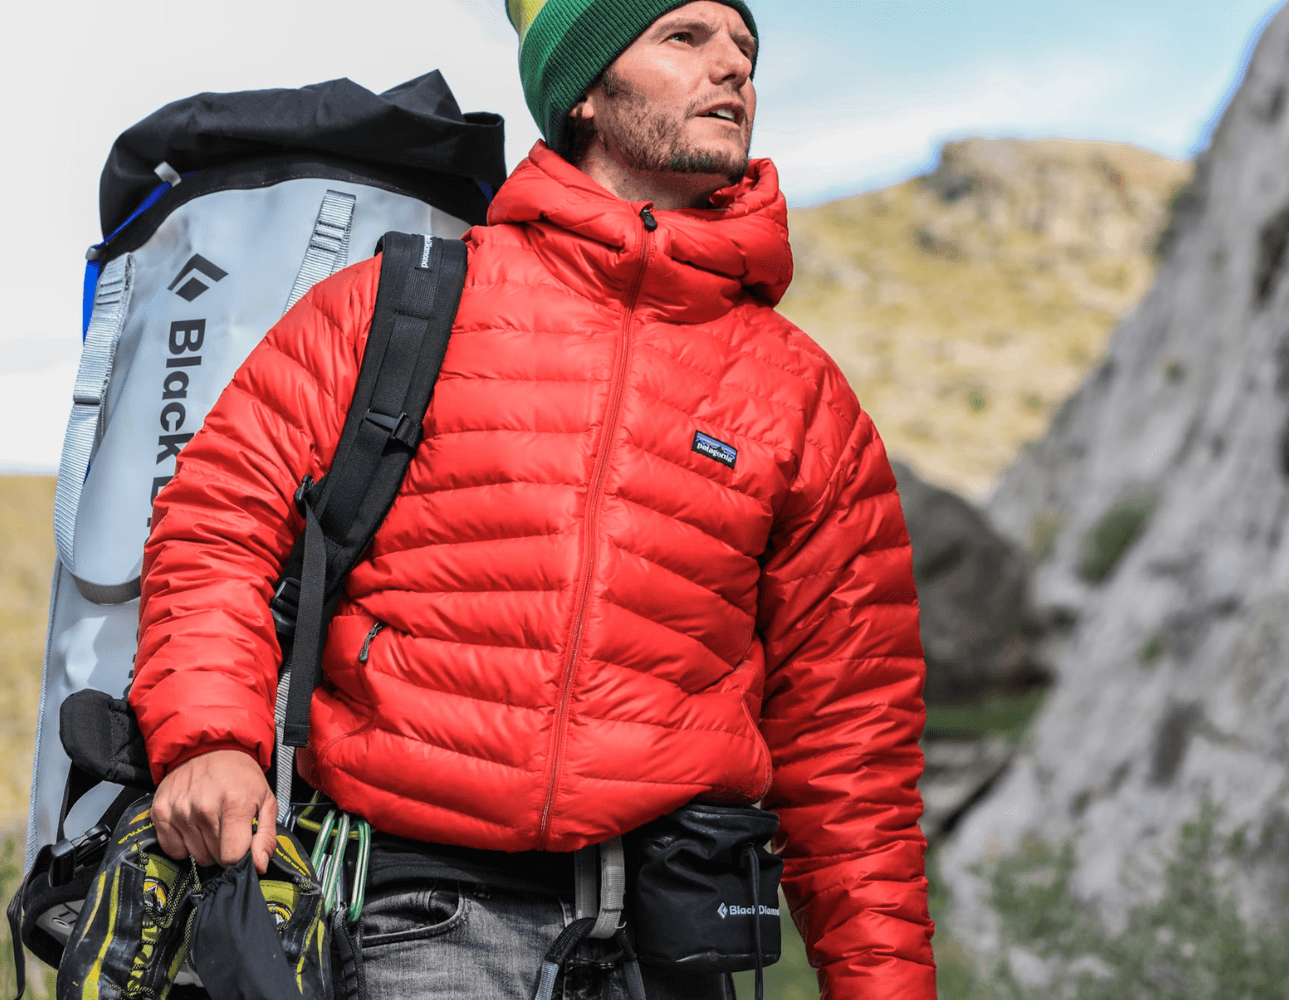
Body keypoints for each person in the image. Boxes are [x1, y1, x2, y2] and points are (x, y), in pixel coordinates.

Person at [130, 1, 937, 997]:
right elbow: (218, 523)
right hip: (418, 925)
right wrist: (211, 738)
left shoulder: (802, 394)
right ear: (584, 92)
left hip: (673, 948)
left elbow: (852, 744)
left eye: (744, 48)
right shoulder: (397, 306)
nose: (733, 67)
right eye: (684, 38)